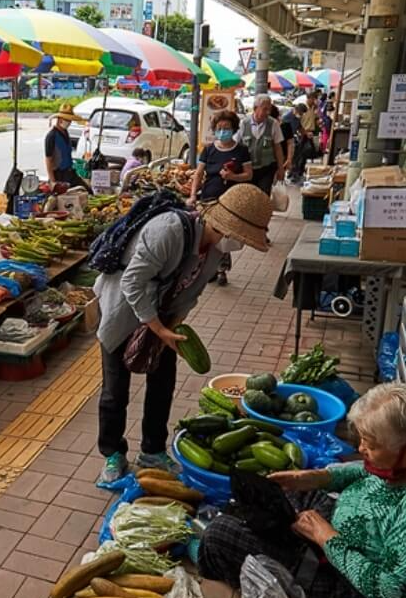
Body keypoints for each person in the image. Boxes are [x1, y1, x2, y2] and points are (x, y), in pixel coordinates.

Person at [197, 383, 406, 598]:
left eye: (370, 445)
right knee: (274, 496)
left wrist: (327, 539)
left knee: (219, 536)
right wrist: (316, 477)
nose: (360, 449)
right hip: (345, 533)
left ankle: (224, 596)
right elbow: (368, 472)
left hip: (350, 584)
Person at [94, 184, 272, 484]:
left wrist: (172, 328)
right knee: (115, 389)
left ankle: (152, 450)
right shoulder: (168, 231)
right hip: (122, 307)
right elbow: (132, 283)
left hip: (163, 312)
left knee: (163, 382)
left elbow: (192, 293)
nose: (239, 244)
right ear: (220, 225)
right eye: (240, 237)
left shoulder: (215, 251)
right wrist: (158, 328)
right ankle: (113, 453)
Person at [188, 111, 252, 285]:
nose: (223, 131)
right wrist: (193, 195)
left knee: (224, 236)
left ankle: (222, 269)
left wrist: (233, 177)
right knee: (206, 234)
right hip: (209, 198)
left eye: (227, 128)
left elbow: (248, 174)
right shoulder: (209, 150)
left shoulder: (241, 150)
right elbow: (199, 174)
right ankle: (206, 269)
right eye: (219, 128)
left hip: (230, 200)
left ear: (234, 129)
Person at [240, 95, 288, 195]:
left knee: (264, 196)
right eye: (265, 109)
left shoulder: (273, 124)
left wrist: (281, 169)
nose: (268, 112)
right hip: (248, 170)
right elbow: (236, 145)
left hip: (266, 169)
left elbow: (277, 148)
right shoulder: (244, 123)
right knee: (248, 197)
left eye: (269, 109)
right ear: (255, 108)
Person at [44, 103, 89, 189]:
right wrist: (53, 181)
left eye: (70, 120)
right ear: (60, 120)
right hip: (59, 175)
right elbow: (48, 160)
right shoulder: (51, 136)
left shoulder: (65, 133)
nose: (69, 123)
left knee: (87, 191)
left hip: (70, 173)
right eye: (67, 120)